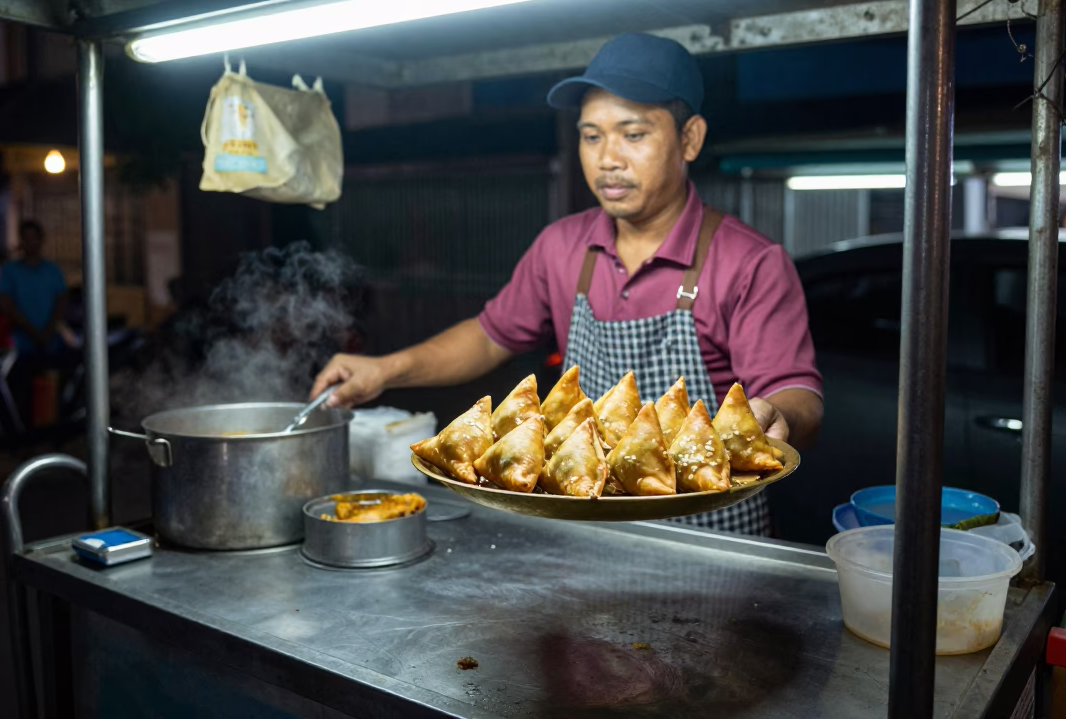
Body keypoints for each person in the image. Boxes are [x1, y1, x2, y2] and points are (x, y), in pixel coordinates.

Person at [311, 33, 822, 535]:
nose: (608, 158)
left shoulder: (750, 261)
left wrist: (778, 413)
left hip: (708, 538)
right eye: (592, 135)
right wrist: (384, 370)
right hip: (584, 527)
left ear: (690, 138)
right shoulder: (562, 246)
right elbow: (491, 337)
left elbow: (794, 391)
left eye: (634, 134)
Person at [0, 220, 68, 423]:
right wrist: (31, 330)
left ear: (42, 239)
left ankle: (52, 429)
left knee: (54, 389)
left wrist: (47, 331)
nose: (31, 243)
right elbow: (6, 303)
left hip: (51, 341)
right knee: (22, 391)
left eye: (34, 238)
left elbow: (61, 300)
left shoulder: (52, 269)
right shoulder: (10, 270)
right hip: (22, 343)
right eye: (26, 238)